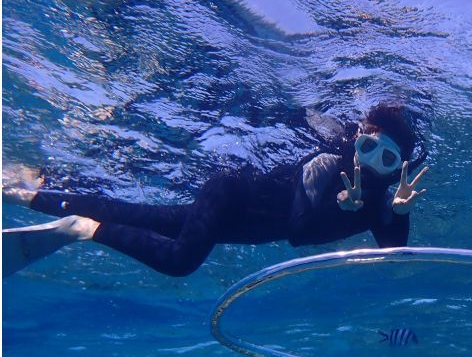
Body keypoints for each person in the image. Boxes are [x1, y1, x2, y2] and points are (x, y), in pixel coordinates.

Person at [2, 102, 428, 278]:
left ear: (398, 168)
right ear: (356, 138)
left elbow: (393, 254)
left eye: (386, 160)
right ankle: (79, 228)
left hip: (234, 223)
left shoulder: (377, 201)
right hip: (230, 195)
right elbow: (299, 230)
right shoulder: (327, 163)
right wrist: (339, 207)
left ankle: (27, 192)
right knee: (180, 261)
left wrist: (401, 211)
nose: (370, 163)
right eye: (368, 147)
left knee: (139, 216)